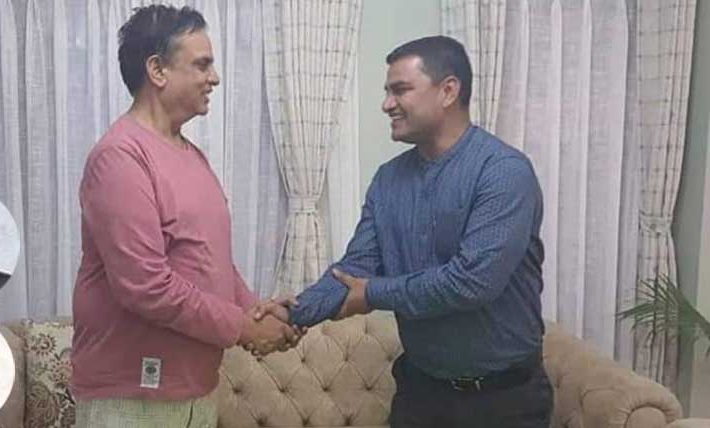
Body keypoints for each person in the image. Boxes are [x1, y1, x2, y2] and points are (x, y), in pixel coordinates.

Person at [255, 36, 552, 428]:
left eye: (400, 90)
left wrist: (374, 293)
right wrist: (292, 312)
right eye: (387, 91)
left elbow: (472, 282)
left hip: (504, 402)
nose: (387, 104)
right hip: (420, 395)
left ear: (448, 91)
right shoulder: (388, 180)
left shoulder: (503, 172)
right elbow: (355, 269)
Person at [70, 5, 301, 428]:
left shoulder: (193, 156)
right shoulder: (119, 157)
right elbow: (145, 286)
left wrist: (258, 312)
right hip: (132, 401)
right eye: (202, 64)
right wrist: (244, 328)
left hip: (197, 393)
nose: (214, 77)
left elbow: (213, 263)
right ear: (157, 70)